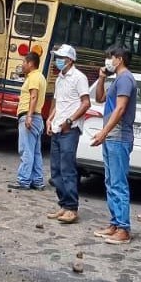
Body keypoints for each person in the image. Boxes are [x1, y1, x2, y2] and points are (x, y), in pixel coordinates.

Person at [91, 46, 138, 246]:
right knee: (111, 182)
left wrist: (104, 132)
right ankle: (115, 223)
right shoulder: (117, 79)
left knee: (118, 183)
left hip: (118, 136)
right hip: (112, 137)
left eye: (109, 58)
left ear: (118, 59)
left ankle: (123, 228)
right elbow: (100, 98)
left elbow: (120, 109)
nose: (107, 61)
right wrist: (102, 77)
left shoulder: (126, 78)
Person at [46, 45, 89, 224]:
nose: (58, 60)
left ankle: (72, 207)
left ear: (70, 60)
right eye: (57, 57)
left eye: (61, 57)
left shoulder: (79, 78)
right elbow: (58, 102)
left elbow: (85, 103)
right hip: (57, 127)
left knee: (67, 169)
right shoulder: (60, 78)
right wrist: (50, 119)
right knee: (55, 170)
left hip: (69, 129)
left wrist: (70, 121)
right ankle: (64, 204)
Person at [10, 50, 47, 191]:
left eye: (24, 62)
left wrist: (29, 116)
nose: (22, 65)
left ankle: (24, 180)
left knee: (26, 150)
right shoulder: (41, 77)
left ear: (31, 64)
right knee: (35, 151)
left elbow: (33, 96)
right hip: (38, 118)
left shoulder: (33, 78)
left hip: (29, 116)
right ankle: (37, 181)